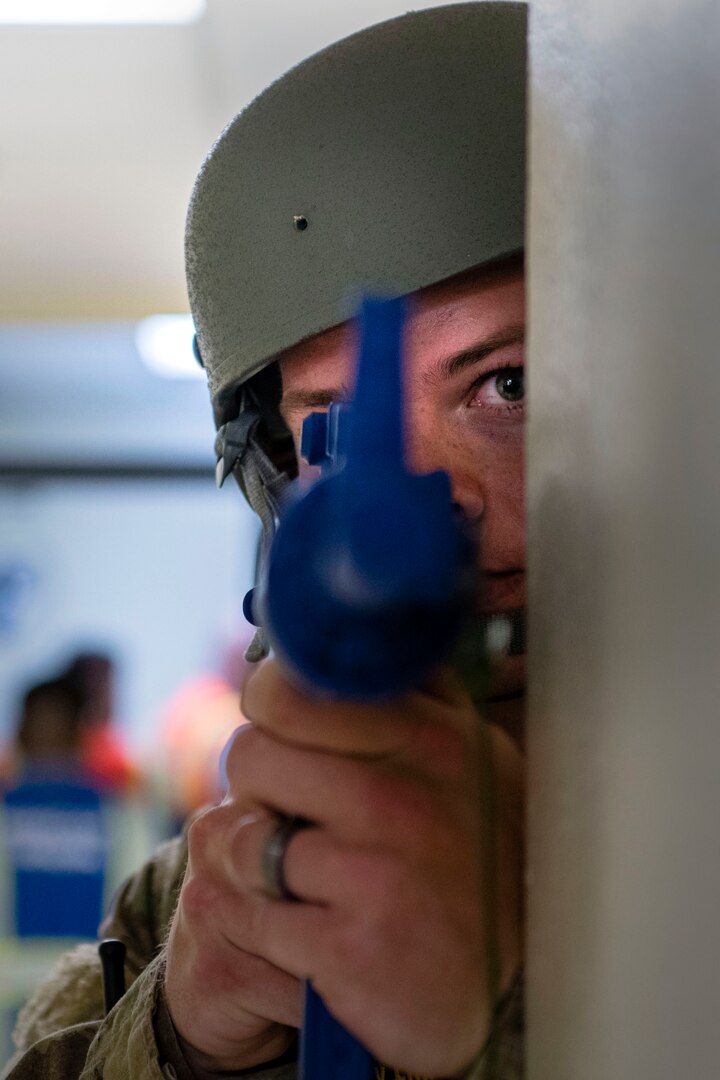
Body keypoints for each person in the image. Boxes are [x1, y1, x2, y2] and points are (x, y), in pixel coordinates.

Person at [3, 4, 527, 1078]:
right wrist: (187, 1040)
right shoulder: (195, 895)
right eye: (327, 434)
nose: (427, 501)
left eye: (507, 385)